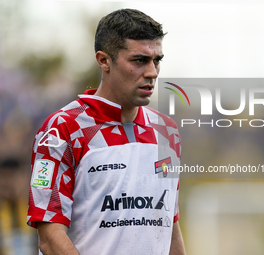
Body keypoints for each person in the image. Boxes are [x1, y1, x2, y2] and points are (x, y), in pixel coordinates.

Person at [27, 8, 185, 255]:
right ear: (104, 60)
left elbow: (169, 227)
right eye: (139, 60)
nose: (152, 72)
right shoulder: (63, 129)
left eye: (157, 60)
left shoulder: (166, 131)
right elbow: (49, 237)